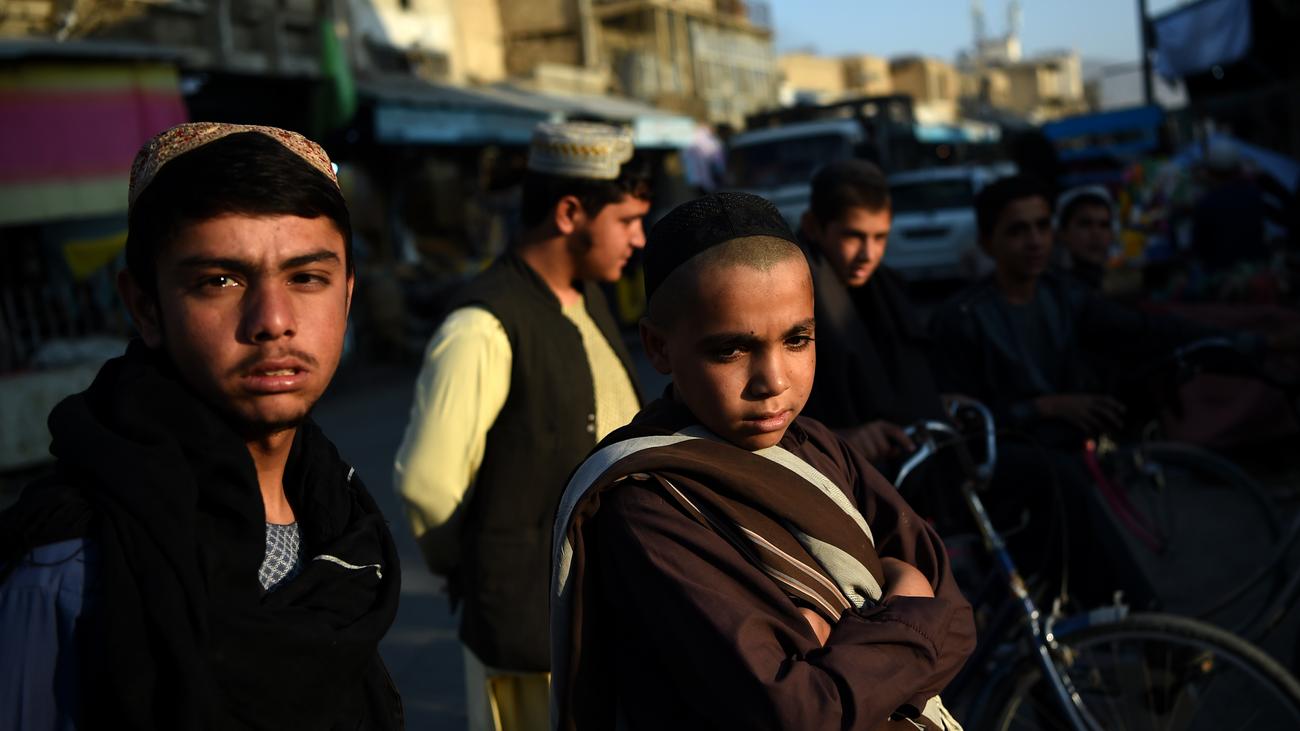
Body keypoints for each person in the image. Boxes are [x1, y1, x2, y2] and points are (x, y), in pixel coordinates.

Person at [0, 123, 402, 729]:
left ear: (346, 296)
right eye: (220, 280)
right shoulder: (70, 569)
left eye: (305, 278)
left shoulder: (343, 528)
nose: (272, 321)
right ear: (145, 307)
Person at [551, 192, 974, 730]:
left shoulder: (818, 446)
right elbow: (798, 711)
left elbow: (957, 620)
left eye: (797, 339)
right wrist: (908, 606)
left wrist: (840, 639)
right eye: (731, 350)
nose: (773, 381)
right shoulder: (646, 503)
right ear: (658, 347)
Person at [394, 122, 648, 731]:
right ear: (569, 213)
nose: (639, 239)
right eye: (626, 221)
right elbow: (427, 483)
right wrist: (480, 567)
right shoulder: (482, 326)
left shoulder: (587, 299)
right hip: (533, 638)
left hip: (606, 615)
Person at [799, 159, 946, 465]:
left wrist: (936, 402)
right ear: (812, 226)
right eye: (853, 236)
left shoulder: (887, 286)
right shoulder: (792, 290)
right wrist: (839, 437)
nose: (868, 254)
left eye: (880, 237)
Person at [1055, 185, 1117, 291]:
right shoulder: (1052, 291)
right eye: (1085, 224)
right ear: (1063, 233)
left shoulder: (1127, 287)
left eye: (1104, 225)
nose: (1096, 233)